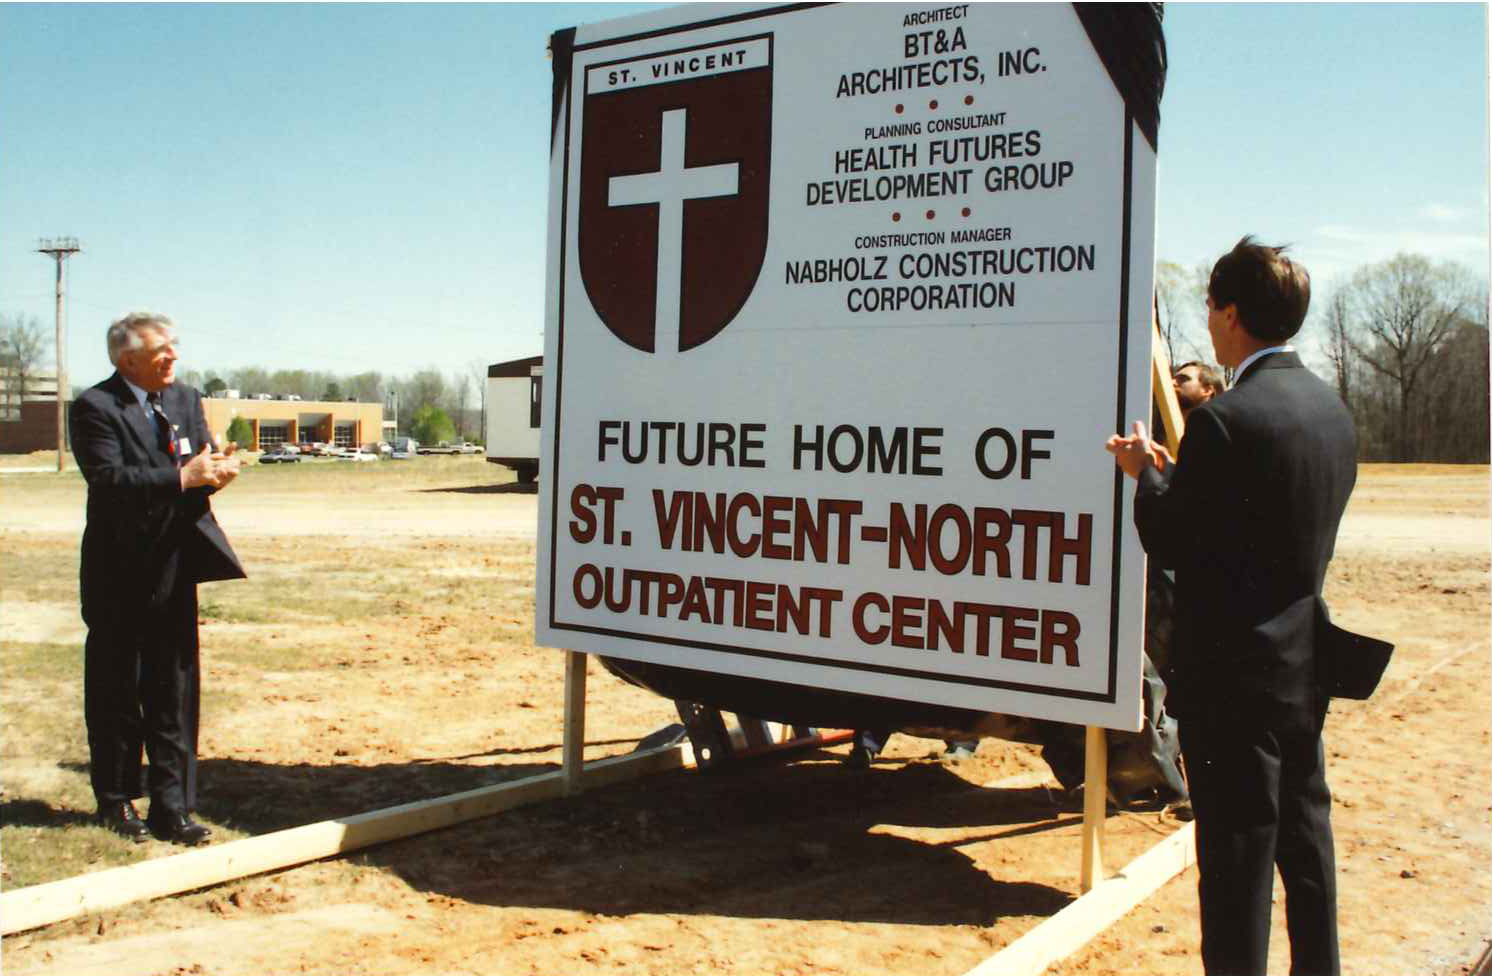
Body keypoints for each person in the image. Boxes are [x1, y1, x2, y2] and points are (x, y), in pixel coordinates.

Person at [1106, 237, 1356, 976]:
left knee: (1238, 869)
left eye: (1212, 306)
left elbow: (1177, 541)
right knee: (1308, 853)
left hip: (1233, 685)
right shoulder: (1328, 410)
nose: (1208, 320)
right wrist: (1182, 477)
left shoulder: (1224, 421)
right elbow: (1262, 518)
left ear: (1233, 315)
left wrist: (1145, 480)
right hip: (1304, 666)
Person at [71, 312, 247, 845]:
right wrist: (181, 476)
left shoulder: (186, 400)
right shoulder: (94, 408)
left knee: (174, 689)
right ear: (128, 360)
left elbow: (192, 473)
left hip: (175, 567)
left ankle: (174, 807)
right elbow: (108, 480)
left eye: (175, 347)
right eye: (162, 351)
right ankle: (117, 801)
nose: (173, 358)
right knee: (117, 691)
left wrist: (212, 474)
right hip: (117, 573)